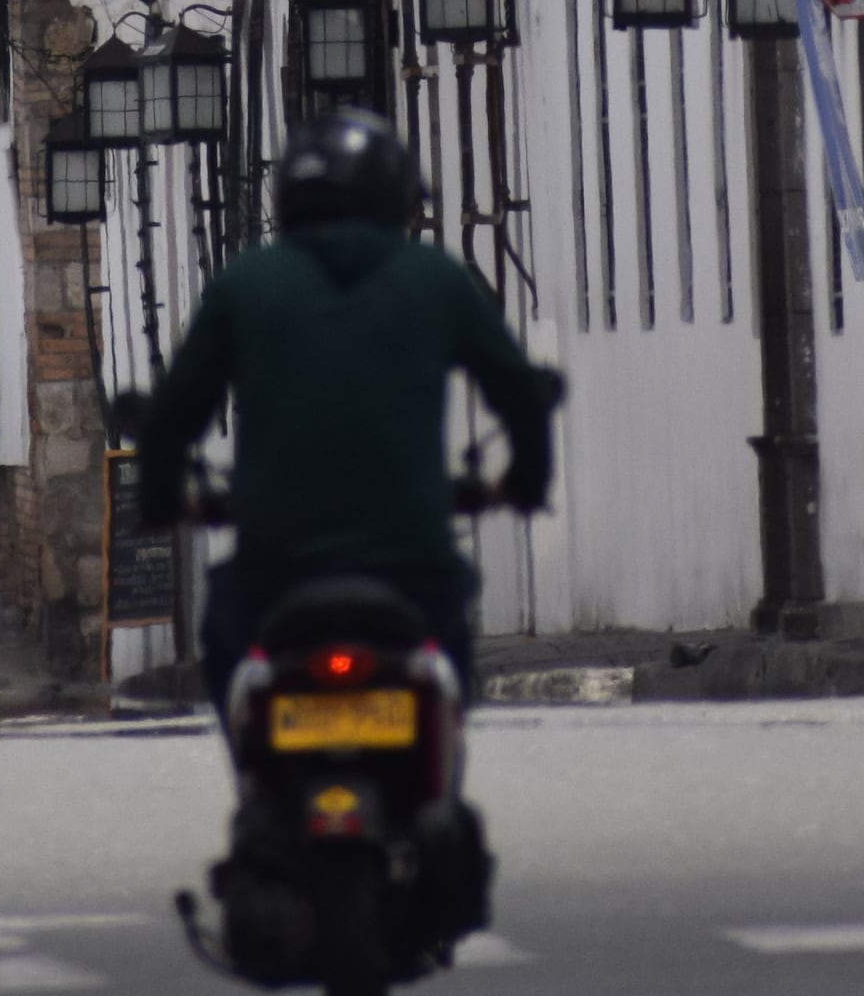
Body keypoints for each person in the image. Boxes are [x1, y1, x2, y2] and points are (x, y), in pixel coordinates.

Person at [139, 107, 556, 712]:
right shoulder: (434, 278)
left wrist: (159, 497)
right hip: (409, 558)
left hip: (275, 563)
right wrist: (524, 481)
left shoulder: (246, 284)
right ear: (391, 196)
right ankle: (437, 772)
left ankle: (260, 779)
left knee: (226, 645)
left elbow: (172, 415)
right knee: (450, 647)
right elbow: (519, 391)